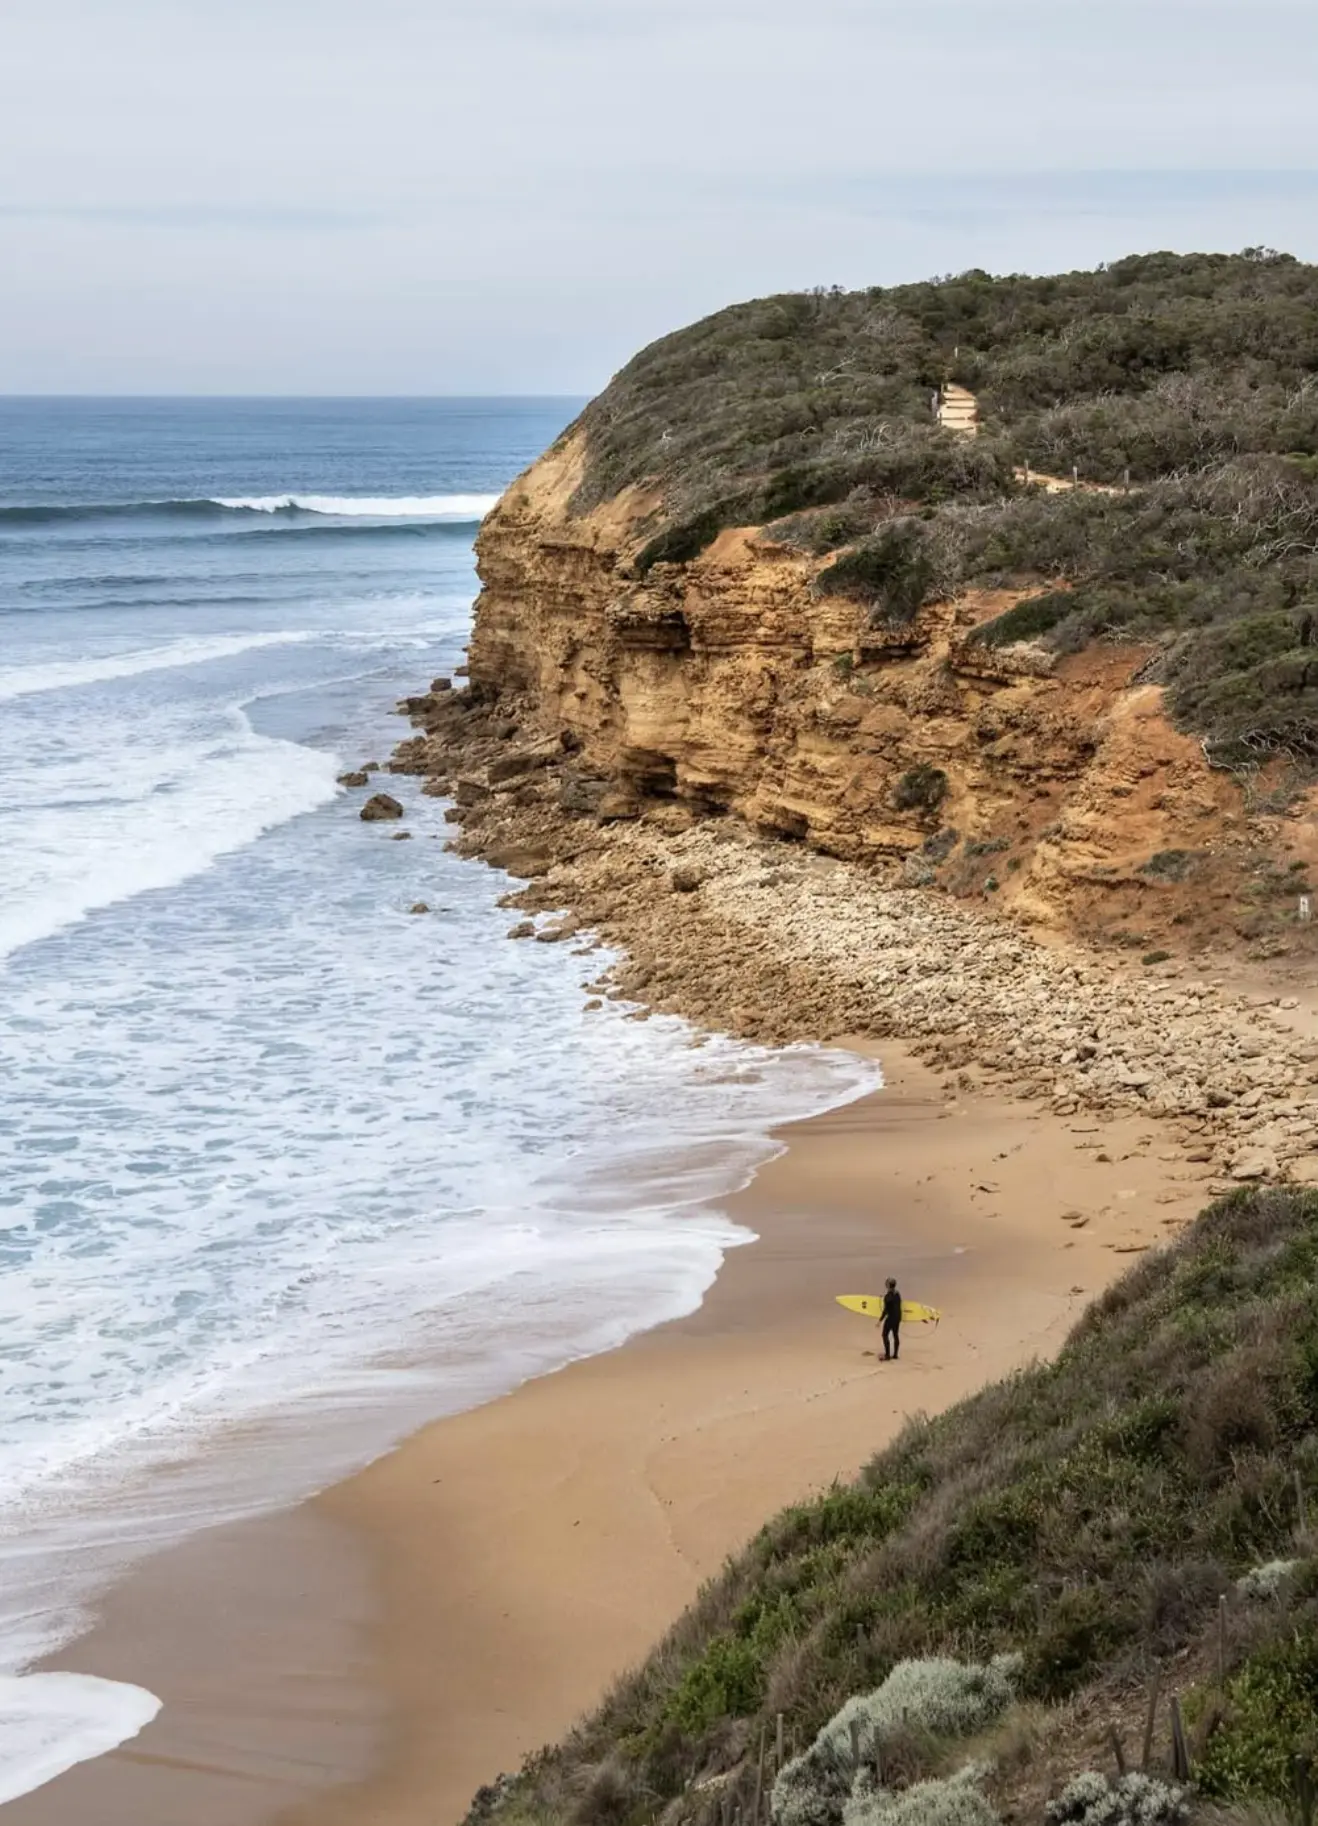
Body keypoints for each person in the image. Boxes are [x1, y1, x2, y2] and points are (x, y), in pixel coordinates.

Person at [880, 1278, 902, 1361]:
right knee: (895, 1335)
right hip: (898, 1318)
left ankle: (887, 1355)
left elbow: (886, 1310)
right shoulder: (897, 1294)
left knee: (884, 1335)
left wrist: (880, 1320)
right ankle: (895, 1355)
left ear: (888, 1285)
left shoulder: (887, 1297)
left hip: (891, 1319)